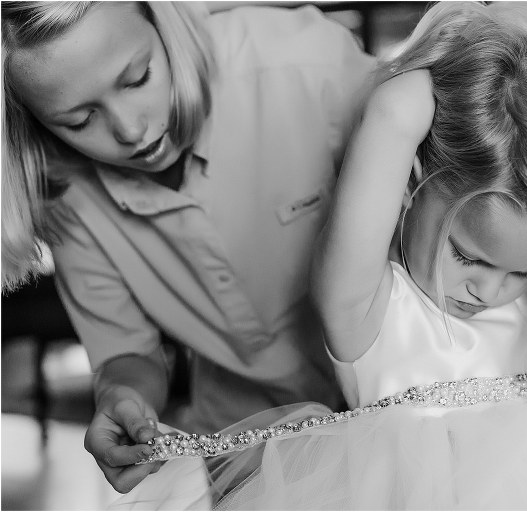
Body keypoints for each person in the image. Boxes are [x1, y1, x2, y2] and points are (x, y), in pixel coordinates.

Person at [108, 2, 527, 510]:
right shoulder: (367, 311)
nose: (491, 291)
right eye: (469, 257)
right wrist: (478, 69)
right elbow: (395, 109)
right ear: (413, 179)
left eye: (521, 270)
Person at [1, 0, 375, 495]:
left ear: (164, 21)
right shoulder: (67, 199)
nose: (130, 130)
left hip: (404, 399)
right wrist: (124, 396)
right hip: (242, 435)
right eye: (79, 120)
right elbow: (127, 352)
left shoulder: (306, 63)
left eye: (138, 78)